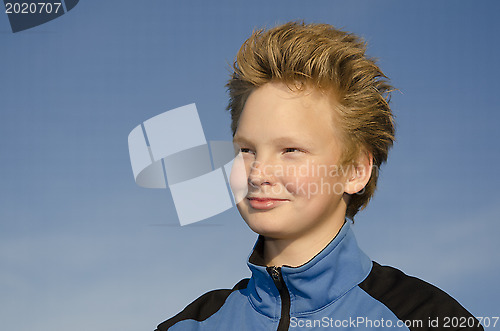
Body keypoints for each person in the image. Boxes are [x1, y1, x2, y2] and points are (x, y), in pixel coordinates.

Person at [155, 21, 483, 330]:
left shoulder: (426, 318)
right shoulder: (191, 325)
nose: (258, 172)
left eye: (291, 150)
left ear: (356, 170)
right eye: (247, 150)